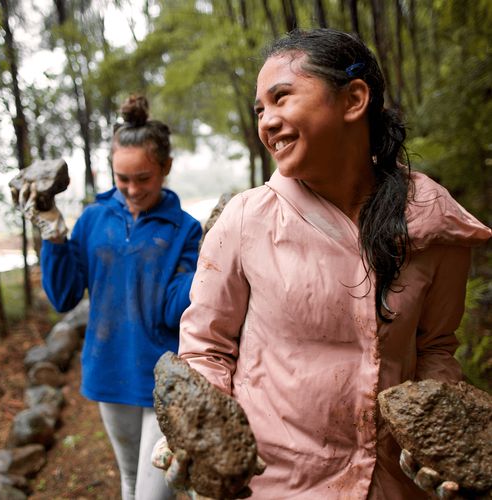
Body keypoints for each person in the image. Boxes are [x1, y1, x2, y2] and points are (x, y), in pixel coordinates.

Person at [153, 29, 491, 499]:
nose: (267, 122)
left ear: (353, 100)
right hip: (271, 484)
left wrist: (441, 438)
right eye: (259, 110)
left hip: (392, 485)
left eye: (281, 98)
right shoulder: (246, 221)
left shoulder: (432, 225)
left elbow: (436, 348)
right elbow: (206, 348)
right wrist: (198, 430)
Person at [18, 94, 202, 500]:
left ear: (165, 168)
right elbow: (65, 296)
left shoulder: (186, 230)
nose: (133, 189)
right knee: (131, 481)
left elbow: (175, 310)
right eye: (123, 179)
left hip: (164, 378)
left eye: (144, 178)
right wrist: (55, 236)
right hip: (108, 369)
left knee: (158, 493)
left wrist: (209, 268)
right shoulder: (93, 218)